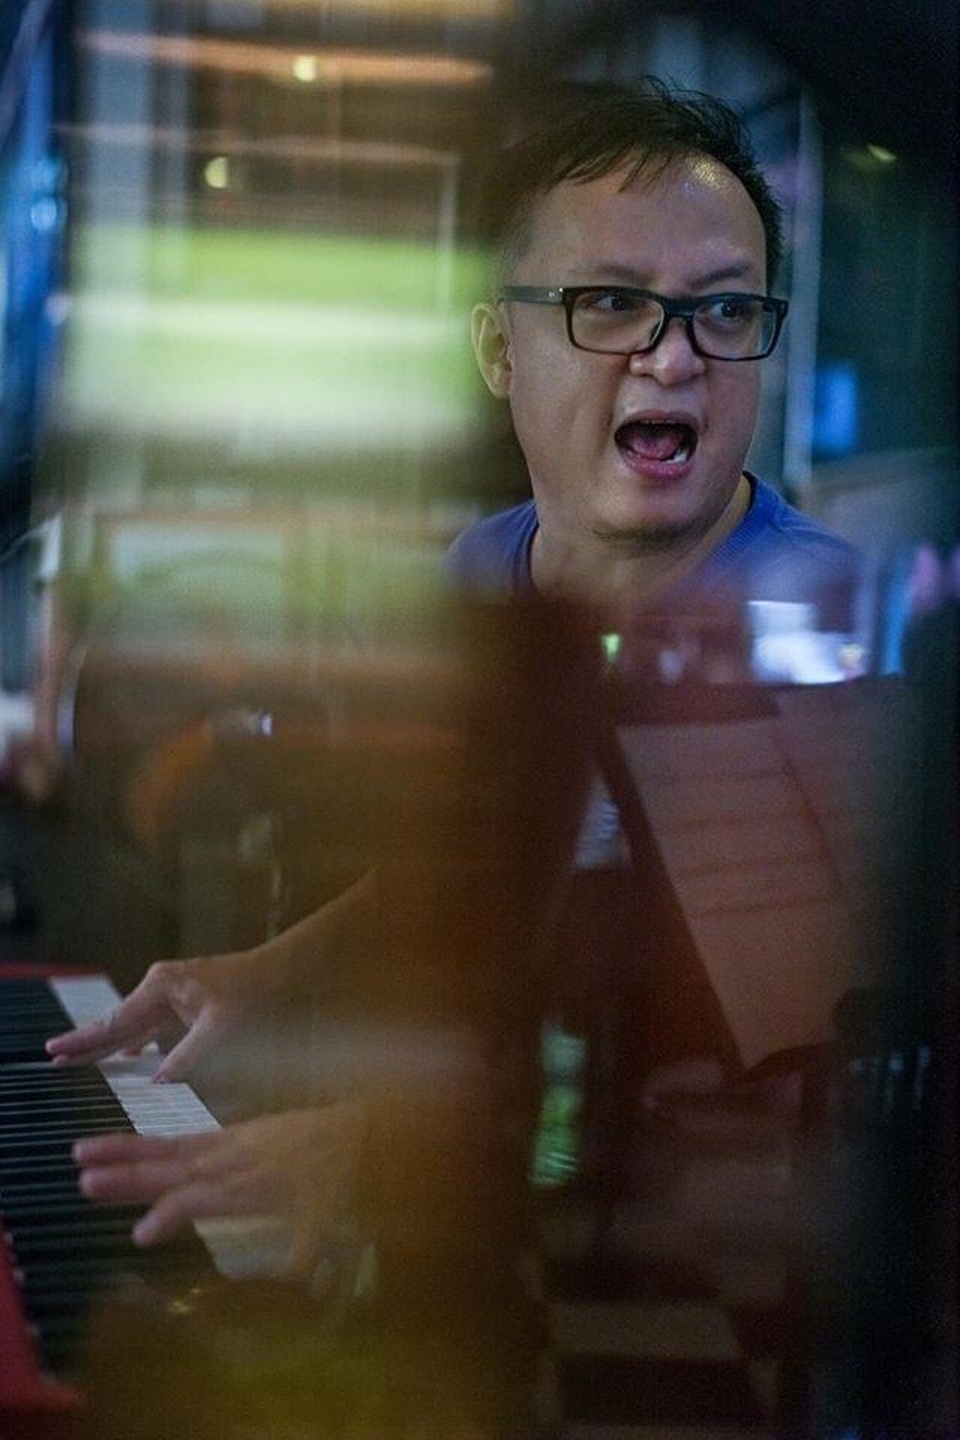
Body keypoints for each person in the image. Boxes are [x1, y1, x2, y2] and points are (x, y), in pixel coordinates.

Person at [47, 80, 855, 1277]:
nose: (675, 356)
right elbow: (502, 868)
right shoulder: (482, 571)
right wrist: (270, 970)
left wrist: (383, 1148)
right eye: (611, 303)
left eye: (725, 310)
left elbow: (744, 1053)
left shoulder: (819, 626)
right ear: (496, 350)